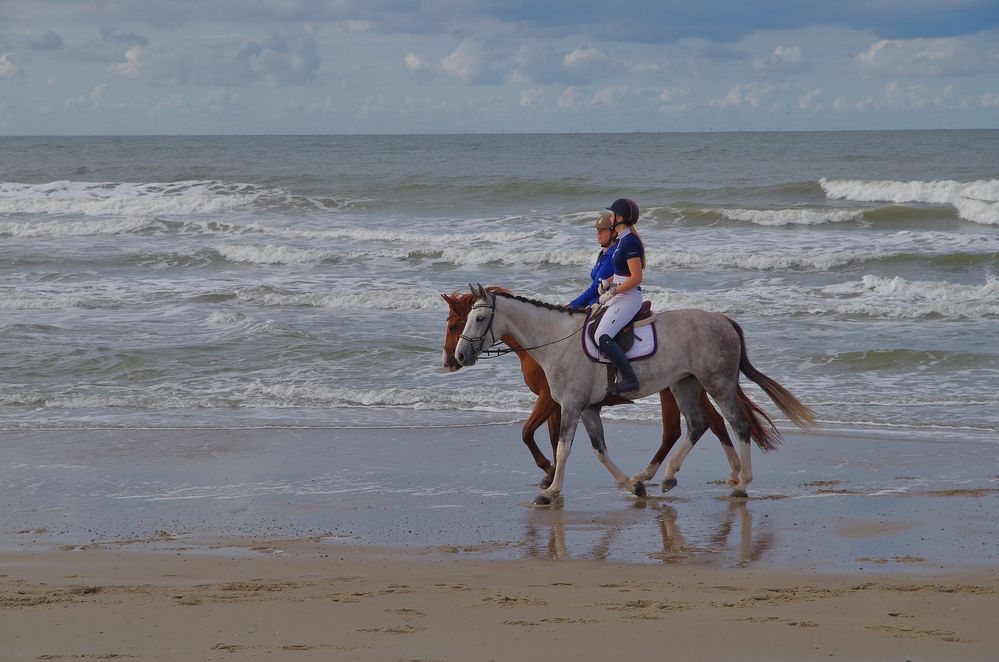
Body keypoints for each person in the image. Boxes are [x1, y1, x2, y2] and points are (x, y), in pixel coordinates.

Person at [595, 197, 645, 395]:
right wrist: (607, 281)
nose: (610, 217)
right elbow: (621, 273)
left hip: (629, 298)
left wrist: (613, 291)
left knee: (602, 336)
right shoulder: (623, 240)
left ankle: (630, 379)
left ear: (620, 218)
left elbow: (636, 278)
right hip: (620, 295)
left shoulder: (630, 242)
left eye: (612, 214)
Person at [568, 211, 618, 308]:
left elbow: (596, 288)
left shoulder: (612, 256)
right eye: (598, 230)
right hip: (596, 301)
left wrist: (572, 305)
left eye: (603, 230)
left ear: (613, 233)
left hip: (609, 301)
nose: (598, 233)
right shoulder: (603, 253)